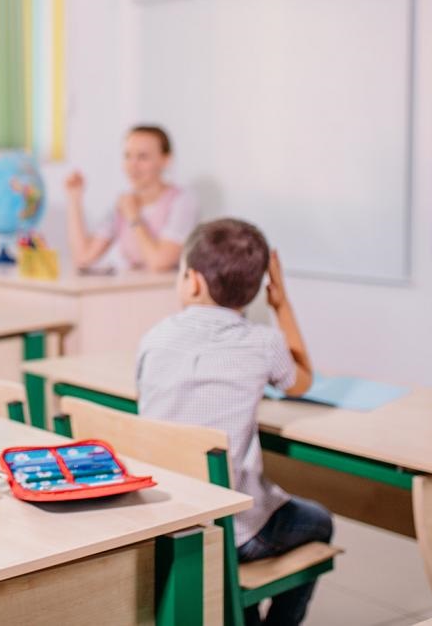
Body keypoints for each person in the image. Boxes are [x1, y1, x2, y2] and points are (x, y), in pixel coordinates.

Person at [135, 218, 331, 625]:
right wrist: (281, 304)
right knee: (319, 520)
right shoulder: (263, 342)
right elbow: (302, 380)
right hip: (232, 531)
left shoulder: (155, 338)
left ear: (192, 282)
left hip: (164, 518)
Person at [66, 125, 198, 271]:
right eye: (127, 156)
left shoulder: (182, 201)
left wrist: (134, 217)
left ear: (165, 160)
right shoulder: (123, 203)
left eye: (143, 157)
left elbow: (160, 262)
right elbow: (83, 257)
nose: (132, 166)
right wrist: (75, 198)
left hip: (166, 290)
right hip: (132, 288)